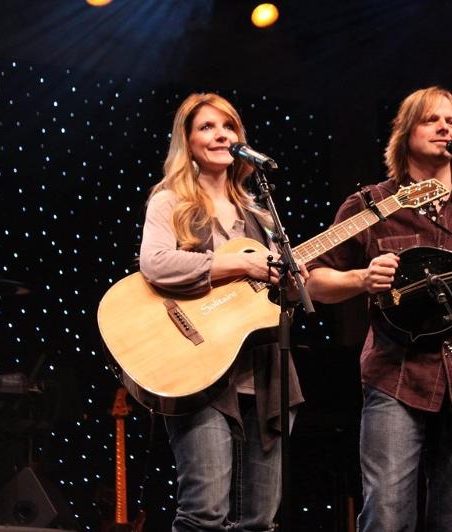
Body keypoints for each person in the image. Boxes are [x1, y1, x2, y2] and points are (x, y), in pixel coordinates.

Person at [306, 86, 452, 531]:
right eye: (431, 120)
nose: (445, 128)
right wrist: (360, 278)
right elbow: (313, 281)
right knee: (386, 513)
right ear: (405, 134)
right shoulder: (370, 205)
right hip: (395, 376)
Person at [139, 92, 306, 531]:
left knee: (260, 520)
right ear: (187, 141)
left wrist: (289, 277)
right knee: (204, 513)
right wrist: (234, 262)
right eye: (207, 127)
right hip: (202, 373)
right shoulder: (170, 201)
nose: (220, 135)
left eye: (228, 127)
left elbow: (270, 297)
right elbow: (154, 263)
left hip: (264, 375)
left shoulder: (261, 214)